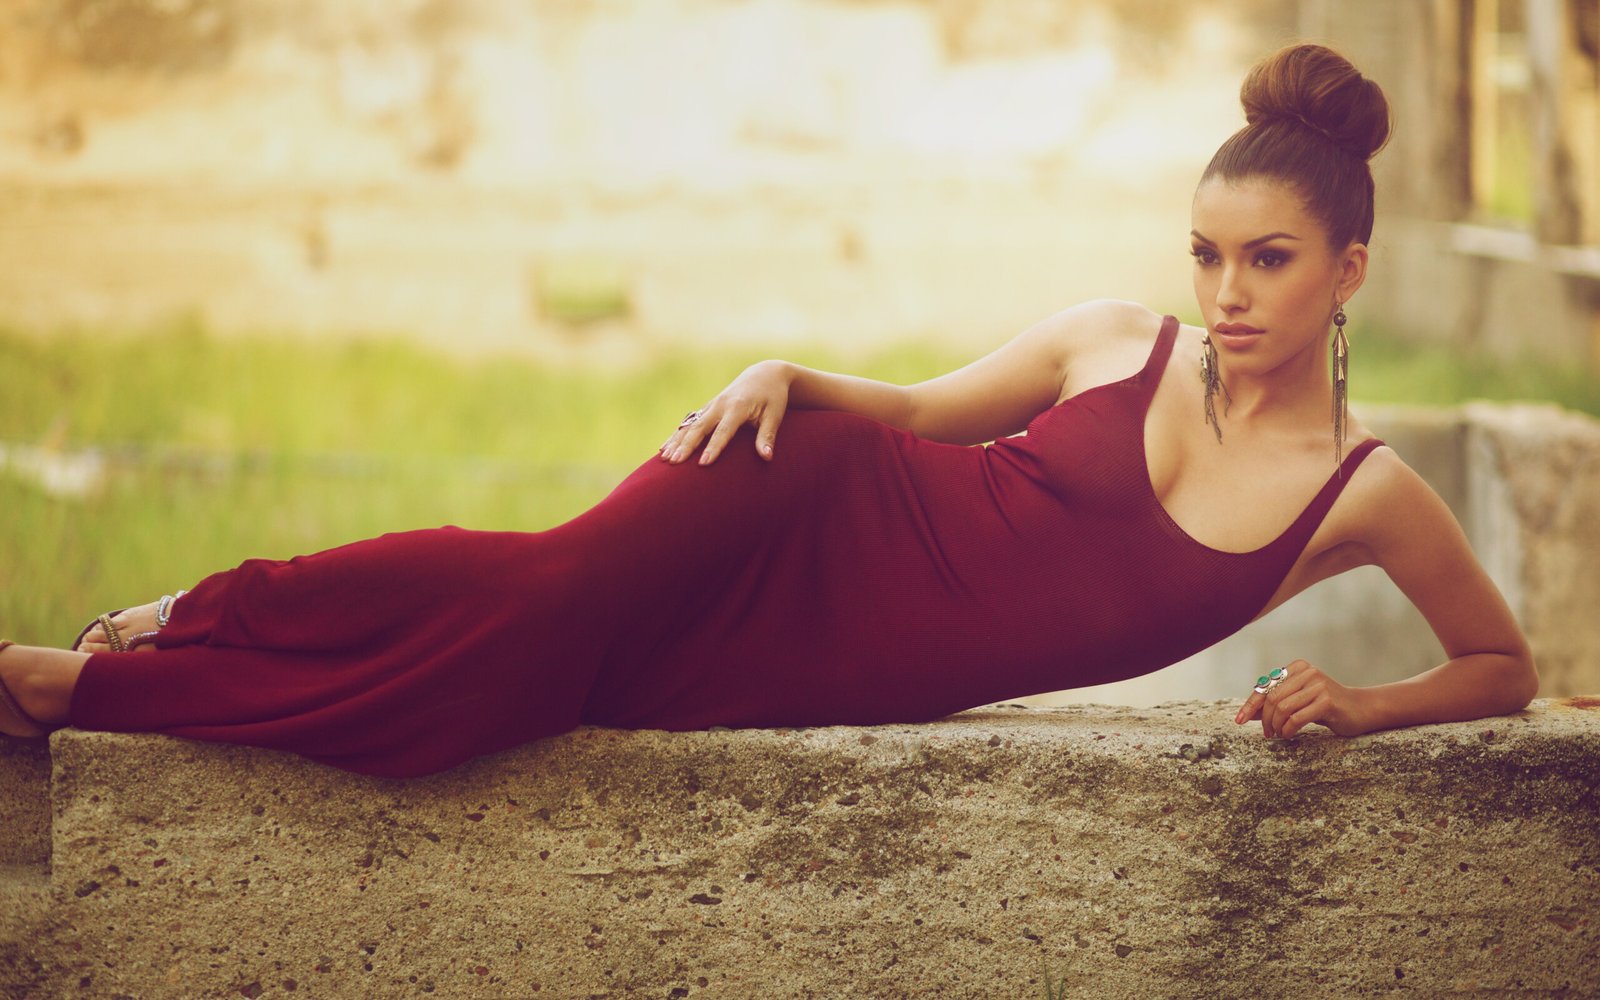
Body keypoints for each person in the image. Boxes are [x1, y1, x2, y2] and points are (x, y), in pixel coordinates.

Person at [0, 43, 1537, 779]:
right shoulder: (1111, 342)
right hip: (802, 490)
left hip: (832, 656)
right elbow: (916, 411)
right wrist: (790, 377)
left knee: (519, 692)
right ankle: (120, 665)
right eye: (1207, 254)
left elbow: (1503, 668)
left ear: (1349, 270)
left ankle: (158, 650)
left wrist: (1360, 705)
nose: (1226, 292)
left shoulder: (1362, 495)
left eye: (1268, 261)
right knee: (538, 599)